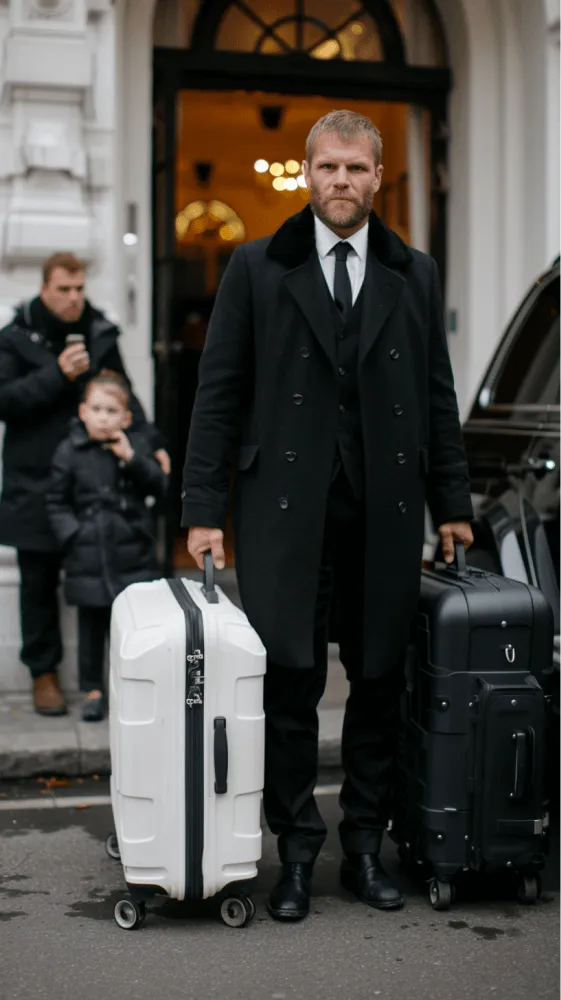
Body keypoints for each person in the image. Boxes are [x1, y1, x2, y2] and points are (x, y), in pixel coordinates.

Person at [182, 110, 474, 921]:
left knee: (378, 680)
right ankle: (297, 854)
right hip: (283, 511)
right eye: (327, 167)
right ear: (307, 173)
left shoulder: (413, 272)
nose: (340, 180)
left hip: (383, 509)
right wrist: (201, 508)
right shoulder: (255, 265)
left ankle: (365, 850)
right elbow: (217, 395)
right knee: (289, 681)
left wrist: (452, 504)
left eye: (355, 168)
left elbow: (436, 395)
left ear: (377, 178)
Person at [0, 253, 170, 717]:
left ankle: (113, 678)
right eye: (64, 289)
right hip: (36, 482)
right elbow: (5, 401)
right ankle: (43, 674)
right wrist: (57, 375)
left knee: (111, 581)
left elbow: (125, 395)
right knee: (38, 582)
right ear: (44, 288)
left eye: (80, 289)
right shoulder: (15, 337)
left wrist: (151, 443)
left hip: (96, 481)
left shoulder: (98, 332)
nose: (74, 298)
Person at [46, 371, 166, 721]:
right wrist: (74, 535)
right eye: (96, 409)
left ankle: (133, 687)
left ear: (126, 418)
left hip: (132, 555)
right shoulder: (69, 451)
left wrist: (132, 457)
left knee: (133, 628)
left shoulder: (135, 447)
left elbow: (159, 487)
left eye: (111, 411)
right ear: (83, 412)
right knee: (91, 629)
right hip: (87, 556)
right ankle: (93, 691)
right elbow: (56, 501)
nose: (103, 418)